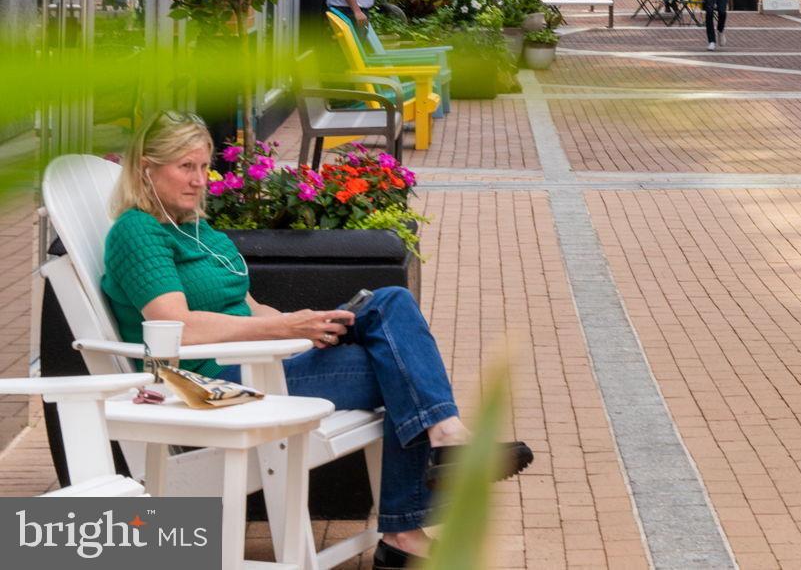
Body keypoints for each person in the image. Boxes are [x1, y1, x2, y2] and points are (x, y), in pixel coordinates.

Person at [100, 112, 532, 567]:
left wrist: (307, 325)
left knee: (390, 302)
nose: (199, 181)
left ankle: (444, 442)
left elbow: (247, 306)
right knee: (398, 369)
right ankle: (414, 511)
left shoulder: (196, 229)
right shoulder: (137, 232)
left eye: (204, 167)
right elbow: (177, 326)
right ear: (147, 169)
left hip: (260, 358)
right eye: (184, 167)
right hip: (213, 383)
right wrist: (284, 330)